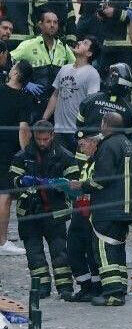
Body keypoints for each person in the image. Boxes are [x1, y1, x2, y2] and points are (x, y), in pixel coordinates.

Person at [72, 113, 132, 306]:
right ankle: (121, 288)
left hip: (109, 208)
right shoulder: (127, 144)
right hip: (127, 208)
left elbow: (102, 179)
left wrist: (82, 185)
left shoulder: (109, 146)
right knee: (117, 249)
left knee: (104, 249)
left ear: (105, 124)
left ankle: (112, 293)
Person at [10, 120, 80, 299]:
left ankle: (65, 288)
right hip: (29, 213)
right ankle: (41, 287)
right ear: (34, 136)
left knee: (59, 253)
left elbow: (74, 182)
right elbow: (13, 181)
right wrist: (22, 182)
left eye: (45, 139)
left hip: (54, 212)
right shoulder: (22, 156)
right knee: (34, 253)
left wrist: (58, 185)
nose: (42, 142)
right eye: (39, 139)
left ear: (52, 136)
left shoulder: (64, 156)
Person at [10, 11, 76, 121]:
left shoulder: (63, 47)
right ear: (40, 25)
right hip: (33, 103)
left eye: (55, 22)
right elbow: (8, 62)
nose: (52, 25)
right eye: (48, 22)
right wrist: (24, 83)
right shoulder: (29, 45)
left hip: (57, 105)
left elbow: (76, 68)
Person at [43, 36, 102, 152]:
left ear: (89, 53)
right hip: (58, 130)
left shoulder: (92, 74)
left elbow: (92, 103)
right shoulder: (64, 68)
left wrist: (86, 132)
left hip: (76, 132)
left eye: (84, 43)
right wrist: (44, 119)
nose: (79, 42)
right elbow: (55, 95)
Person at [0, 60, 32, 256]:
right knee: (5, 196)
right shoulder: (24, 98)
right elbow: (23, 130)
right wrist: (26, 156)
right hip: (8, 150)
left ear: (15, 73)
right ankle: (2, 241)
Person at [65, 131, 101, 302]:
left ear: (94, 142)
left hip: (93, 213)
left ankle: (96, 287)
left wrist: (81, 185)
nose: (81, 148)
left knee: (91, 251)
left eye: (83, 144)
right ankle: (84, 286)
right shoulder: (87, 163)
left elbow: (98, 184)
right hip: (80, 211)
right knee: (73, 248)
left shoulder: (99, 161)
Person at [77, 63, 132, 153]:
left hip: (87, 153)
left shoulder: (89, 100)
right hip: (109, 154)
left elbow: (79, 125)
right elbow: (128, 137)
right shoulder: (129, 110)